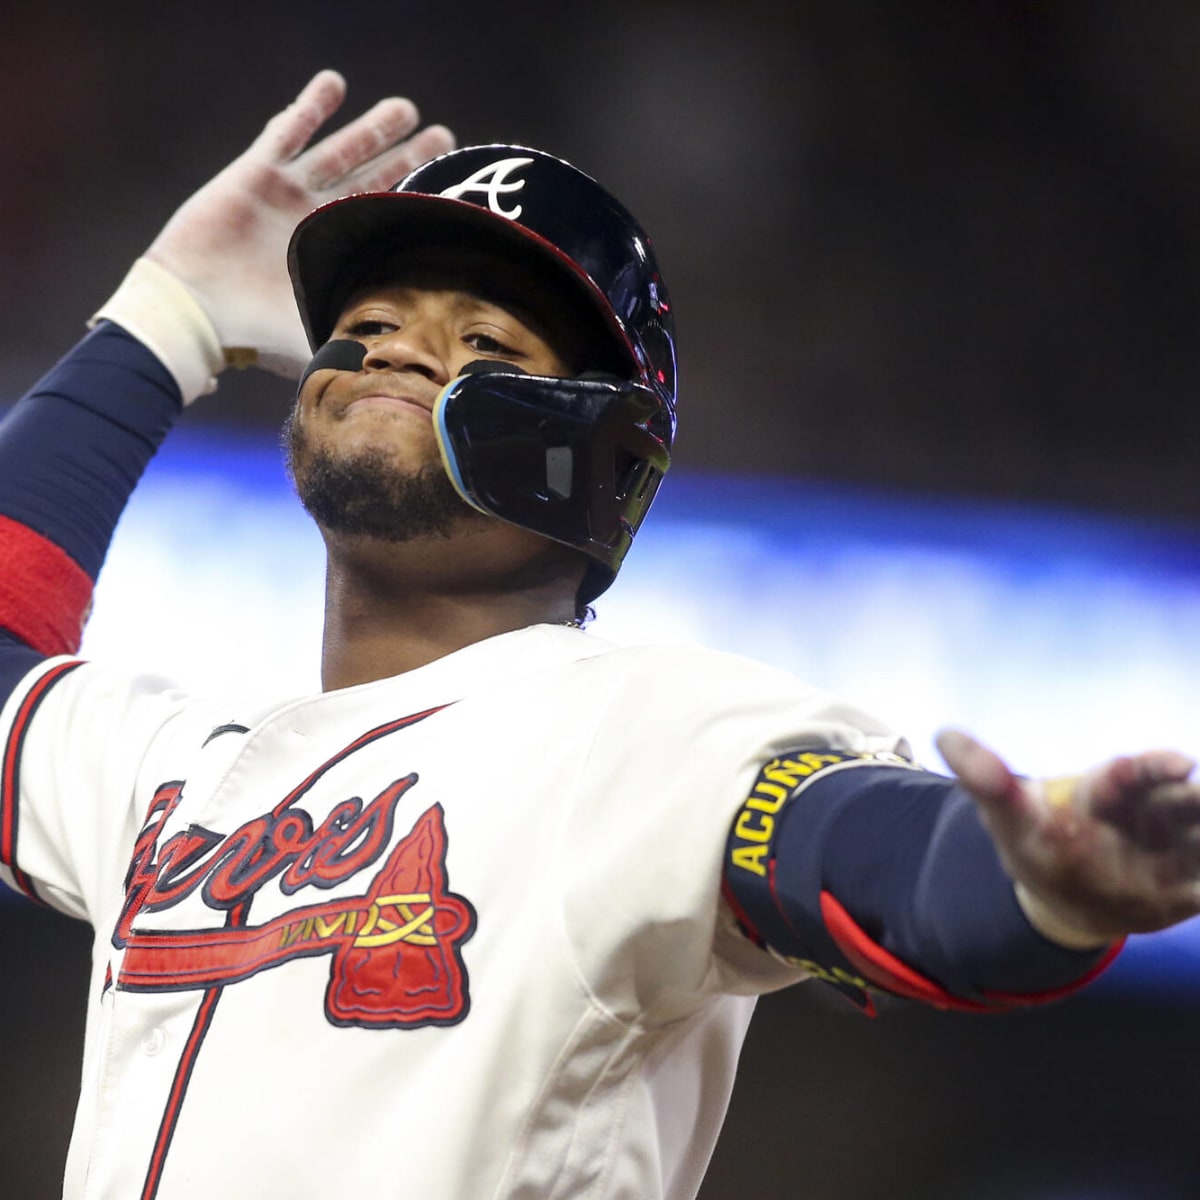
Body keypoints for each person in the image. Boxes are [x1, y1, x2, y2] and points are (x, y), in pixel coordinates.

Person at [1, 69, 1199, 1200]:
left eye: (485, 345)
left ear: (596, 456)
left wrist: (1037, 888)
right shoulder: (179, 773)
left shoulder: (638, 733)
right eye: (371, 317)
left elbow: (863, 854)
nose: (399, 346)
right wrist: (161, 321)